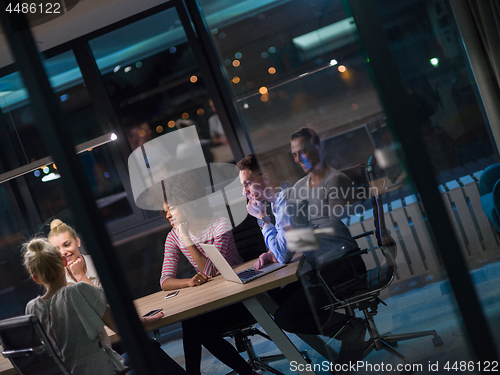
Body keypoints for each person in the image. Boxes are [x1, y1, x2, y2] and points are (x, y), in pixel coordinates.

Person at [237, 146, 366, 365]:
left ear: (265, 178)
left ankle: (349, 329)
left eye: (247, 183)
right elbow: (294, 242)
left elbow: (284, 255)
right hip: (336, 264)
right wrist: (271, 252)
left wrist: (262, 220)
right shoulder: (285, 198)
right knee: (277, 301)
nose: (244, 192)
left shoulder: (287, 203)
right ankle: (346, 329)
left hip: (341, 269)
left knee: (285, 316)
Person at [22, 237, 170, 375]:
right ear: (64, 262)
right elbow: (120, 327)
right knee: (149, 348)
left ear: (36, 278)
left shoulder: (32, 308)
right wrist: (143, 321)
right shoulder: (79, 291)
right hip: (102, 370)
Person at [160, 171, 258, 375]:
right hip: (214, 299)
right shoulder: (173, 236)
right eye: (165, 211)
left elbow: (212, 271)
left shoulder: (219, 224)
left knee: (198, 327)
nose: (167, 215)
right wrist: (188, 282)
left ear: (189, 203)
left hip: (242, 296)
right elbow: (165, 281)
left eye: (172, 209)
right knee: (192, 322)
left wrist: (186, 238)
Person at [48, 219, 101, 288]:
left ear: (78, 241)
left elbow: (105, 298)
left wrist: (80, 275)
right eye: (56, 250)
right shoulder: (56, 278)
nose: (63, 252)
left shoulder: (98, 262)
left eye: (67, 245)